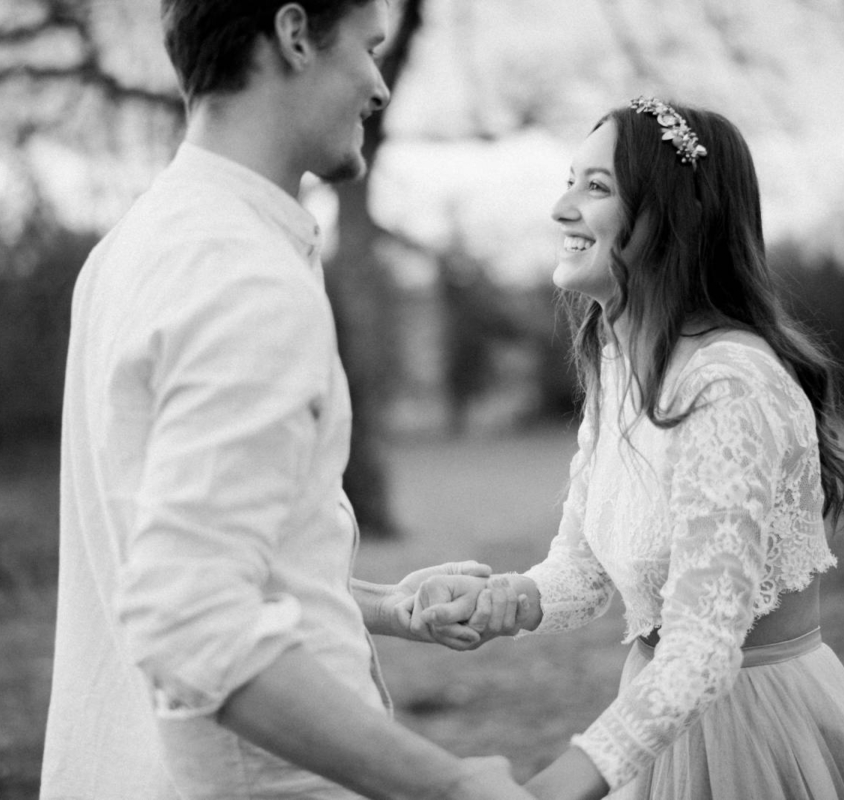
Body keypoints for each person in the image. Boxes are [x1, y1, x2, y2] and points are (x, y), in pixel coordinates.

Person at [39, 2, 536, 799]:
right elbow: (192, 621)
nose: (378, 87)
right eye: (368, 49)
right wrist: (447, 785)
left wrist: (385, 608)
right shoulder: (243, 276)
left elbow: (192, 548)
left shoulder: (129, 251)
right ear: (295, 34)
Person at [409, 98, 844, 800]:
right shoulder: (620, 371)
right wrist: (506, 600)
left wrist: (560, 785)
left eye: (596, 187)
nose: (560, 208)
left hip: (753, 732)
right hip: (652, 722)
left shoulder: (729, 387)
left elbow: (704, 648)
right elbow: (583, 572)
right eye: (569, 180)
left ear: (672, 218)